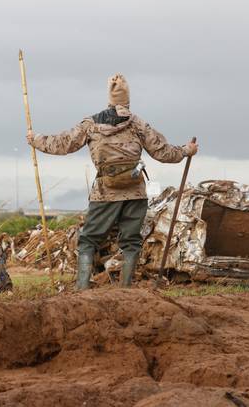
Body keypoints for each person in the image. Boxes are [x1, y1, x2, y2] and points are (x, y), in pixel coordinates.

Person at [27, 73, 198, 289]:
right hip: (135, 192)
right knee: (131, 242)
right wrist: (186, 150)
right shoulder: (137, 124)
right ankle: (125, 289)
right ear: (127, 100)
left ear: (109, 99)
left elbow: (63, 144)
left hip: (104, 193)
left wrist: (36, 140)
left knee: (88, 240)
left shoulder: (90, 124)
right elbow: (163, 153)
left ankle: (82, 288)